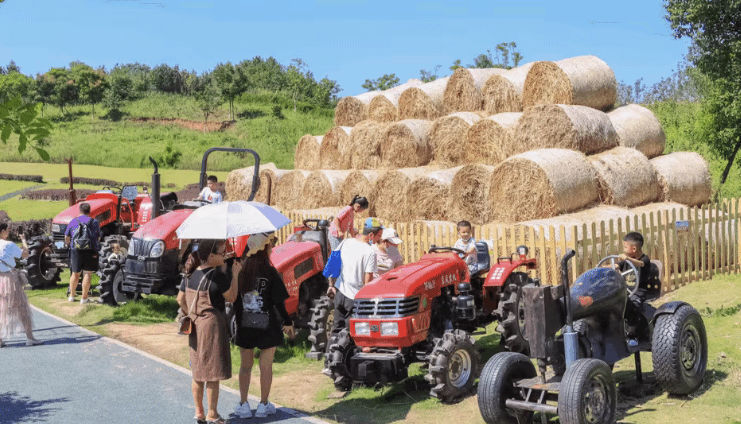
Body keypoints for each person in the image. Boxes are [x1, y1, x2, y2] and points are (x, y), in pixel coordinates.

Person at [233, 233, 295, 419]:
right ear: (264, 249)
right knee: (265, 366)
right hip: (267, 323)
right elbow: (278, 302)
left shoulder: (240, 271)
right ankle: (263, 404)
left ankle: (243, 404)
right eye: (269, 246)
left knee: (245, 366)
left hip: (245, 323)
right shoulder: (270, 272)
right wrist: (288, 321)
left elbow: (235, 300)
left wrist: (238, 320)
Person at [177, 239, 239, 424]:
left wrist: (191, 312)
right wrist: (234, 274)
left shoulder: (189, 273)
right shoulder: (216, 276)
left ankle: (199, 412)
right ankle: (212, 413)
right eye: (221, 252)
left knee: (198, 371)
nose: (225, 255)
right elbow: (232, 297)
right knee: (212, 372)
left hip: (195, 325)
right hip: (212, 326)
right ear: (211, 256)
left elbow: (180, 299)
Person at [328, 217, 382, 333]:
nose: (379, 240)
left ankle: (329, 351)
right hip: (354, 298)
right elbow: (368, 280)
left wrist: (331, 285)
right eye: (378, 236)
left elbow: (333, 262)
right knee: (353, 334)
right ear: (371, 235)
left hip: (340, 293)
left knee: (336, 331)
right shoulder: (370, 252)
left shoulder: (347, 242)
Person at [0, 222, 42, 347]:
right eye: (7, 230)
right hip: (9, 278)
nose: (8, 232)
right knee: (22, 307)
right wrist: (23, 241)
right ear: (2, 231)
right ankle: (30, 337)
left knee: (1, 308)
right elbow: (25, 254)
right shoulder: (8, 244)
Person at [65, 202, 100, 304]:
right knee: (87, 274)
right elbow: (98, 237)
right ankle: (84, 298)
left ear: (79, 211)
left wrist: (71, 245)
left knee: (75, 274)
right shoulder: (94, 222)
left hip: (76, 250)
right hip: (90, 250)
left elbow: (67, 238)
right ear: (89, 211)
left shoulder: (73, 221)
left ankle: (71, 296)